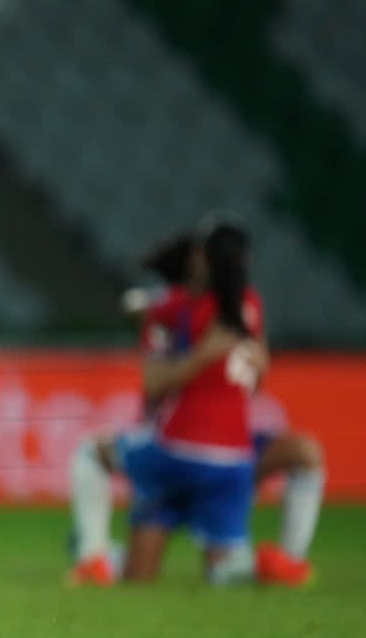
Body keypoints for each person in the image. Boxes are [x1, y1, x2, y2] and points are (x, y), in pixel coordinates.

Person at [69, 226, 322, 586]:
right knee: (219, 569)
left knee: (91, 453)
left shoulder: (183, 308)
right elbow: (258, 374)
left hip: (175, 455)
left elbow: (154, 378)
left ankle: (93, 555)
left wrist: (152, 318)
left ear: (200, 260)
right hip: (234, 462)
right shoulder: (250, 305)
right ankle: (277, 563)